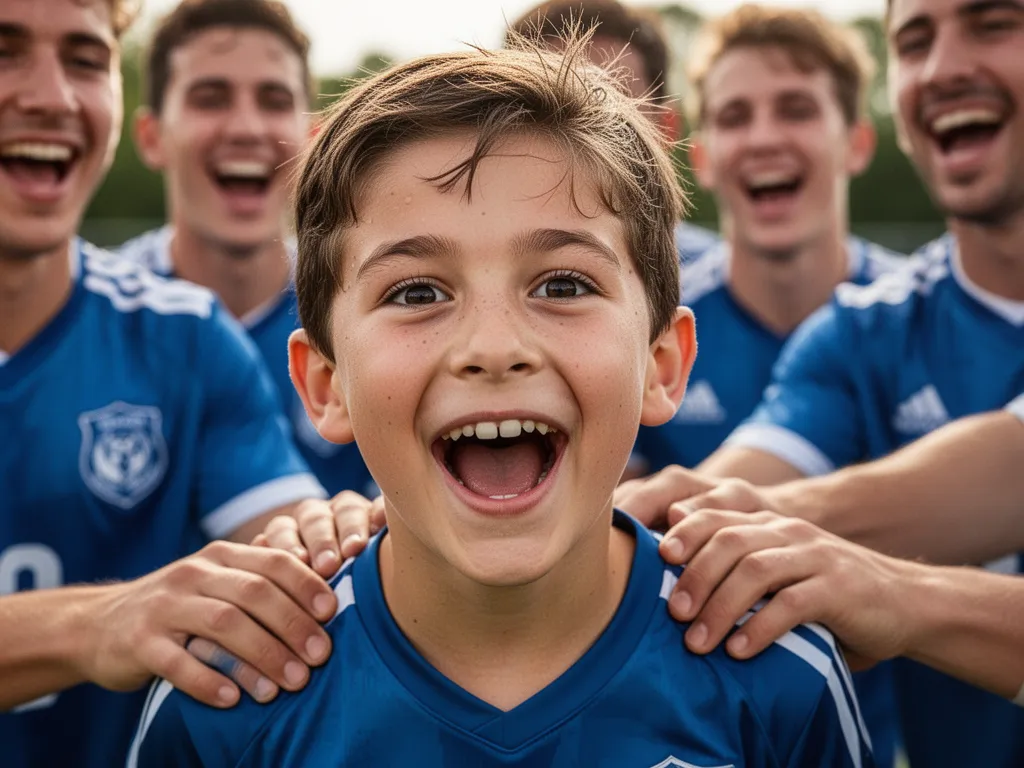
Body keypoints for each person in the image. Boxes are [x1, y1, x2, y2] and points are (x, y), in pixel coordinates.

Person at [129, 33, 872, 767]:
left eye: (563, 285)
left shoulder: (781, 674)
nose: (492, 346)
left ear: (662, 363)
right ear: (326, 385)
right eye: (417, 292)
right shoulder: (226, 695)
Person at [622, 0, 1024, 764]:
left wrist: (894, 593)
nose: (943, 67)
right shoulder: (859, 332)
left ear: (856, 141)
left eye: (993, 22)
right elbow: (729, 496)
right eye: (915, 40)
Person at [0, 1, 352, 765]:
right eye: (4, 49)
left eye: (87, 60)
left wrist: (612, 532)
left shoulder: (186, 333)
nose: (52, 96)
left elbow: (314, 572)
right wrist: (93, 624)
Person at [631, 5, 903, 476]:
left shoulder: (921, 318)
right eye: (735, 117)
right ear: (702, 159)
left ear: (857, 143)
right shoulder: (649, 330)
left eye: (796, 110)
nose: (763, 138)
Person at [118, 0, 375, 500]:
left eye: (274, 100)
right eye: (211, 98)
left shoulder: (371, 305)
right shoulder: (90, 318)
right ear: (152, 137)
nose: (246, 128)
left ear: (311, 138)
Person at [509, 0, 720, 265]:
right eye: (542, 110)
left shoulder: (729, 287)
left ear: (665, 128)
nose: (578, 136)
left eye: (609, 110)